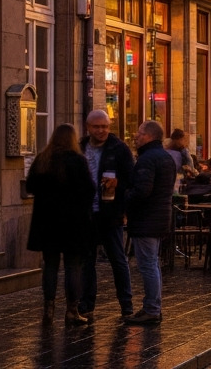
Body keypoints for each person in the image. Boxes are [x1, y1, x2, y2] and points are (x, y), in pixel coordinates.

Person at [26, 123, 95, 325]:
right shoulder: (77, 161)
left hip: (48, 224)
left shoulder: (43, 160)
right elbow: (89, 191)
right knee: (73, 266)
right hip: (73, 224)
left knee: (50, 266)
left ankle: (48, 309)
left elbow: (30, 186)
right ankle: (72, 310)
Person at [79, 110, 134, 320]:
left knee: (118, 259)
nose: (101, 130)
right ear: (88, 127)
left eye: (105, 126)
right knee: (87, 261)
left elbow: (130, 179)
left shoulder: (119, 149)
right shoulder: (81, 148)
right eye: (97, 127)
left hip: (110, 213)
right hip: (87, 214)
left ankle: (126, 305)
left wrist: (118, 187)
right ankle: (86, 305)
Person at [125, 120, 176, 325]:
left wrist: (124, 196)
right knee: (152, 263)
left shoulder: (147, 159)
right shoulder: (165, 157)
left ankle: (152, 309)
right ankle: (153, 305)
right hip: (160, 216)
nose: (136, 136)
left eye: (139, 133)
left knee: (147, 264)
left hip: (147, 218)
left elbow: (143, 191)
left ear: (149, 136)